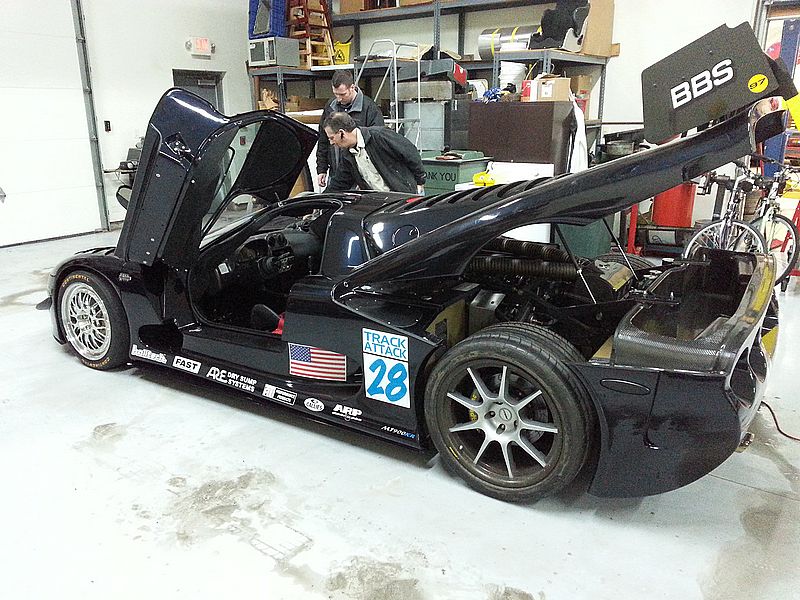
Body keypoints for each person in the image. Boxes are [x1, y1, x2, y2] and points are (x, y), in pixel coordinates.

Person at [323, 112, 426, 195]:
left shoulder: (380, 136)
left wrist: (420, 181)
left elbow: (410, 153)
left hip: (404, 197)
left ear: (342, 133)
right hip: (378, 203)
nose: (331, 143)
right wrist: (320, 201)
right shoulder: (348, 155)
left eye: (332, 138)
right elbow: (339, 183)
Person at [316, 70, 384, 188]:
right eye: (336, 94)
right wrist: (321, 169)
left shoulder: (369, 108)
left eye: (342, 94)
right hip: (336, 172)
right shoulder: (330, 107)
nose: (338, 99)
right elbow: (323, 139)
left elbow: (377, 142)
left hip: (361, 175)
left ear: (352, 87)